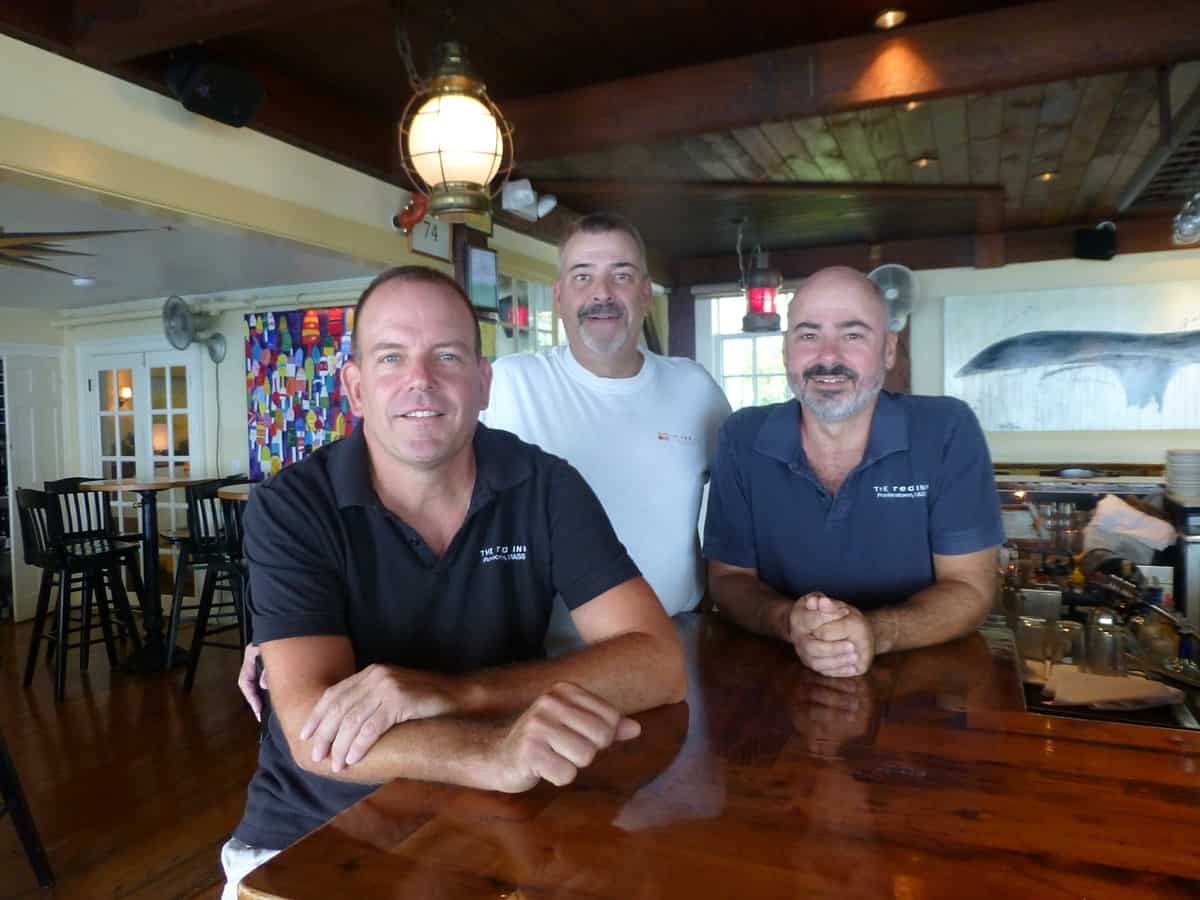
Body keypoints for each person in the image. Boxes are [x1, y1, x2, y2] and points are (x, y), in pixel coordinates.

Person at [221, 266, 685, 899]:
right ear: (355, 388)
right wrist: (493, 754)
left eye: (447, 356)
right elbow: (312, 733)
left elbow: (660, 663)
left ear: (483, 381)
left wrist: (454, 695)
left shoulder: (545, 486)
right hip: (313, 838)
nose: (421, 380)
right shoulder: (293, 506)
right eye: (391, 357)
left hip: (492, 831)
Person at [703, 266, 1002, 678]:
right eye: (808, 335)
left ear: (890, 350)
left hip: (920, 686)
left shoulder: (947, 429)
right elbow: (728, 578)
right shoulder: (741, 436)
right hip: (775, 680)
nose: (828, 357)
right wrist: (789, 622)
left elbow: (972, 589)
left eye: (853, 335)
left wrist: (876, 633)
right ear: (786, 351)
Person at [481, 212, 731, 651]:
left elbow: (740, 503)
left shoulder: (695, 389)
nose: (602, 293)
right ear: (558, 297)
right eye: (582, 277)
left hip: (674, 642)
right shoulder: (508, 384)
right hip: (536, 653)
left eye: (621, 274)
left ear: (644, 293)